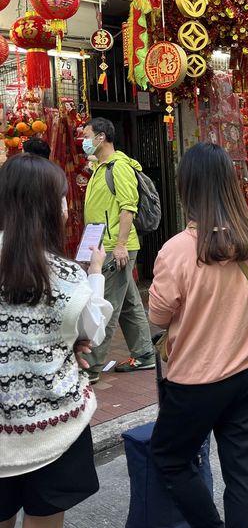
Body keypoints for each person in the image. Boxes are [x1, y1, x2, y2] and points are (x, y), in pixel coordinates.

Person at [149, 143, 248, 528]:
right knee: (243, 471)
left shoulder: (177, 251)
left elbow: (157, 319)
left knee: (169, 456)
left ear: (186, 188)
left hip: (196, 381)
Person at [0, 154, 112, 528]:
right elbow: (93, 332)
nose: (68, 208)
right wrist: (96, 273)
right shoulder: (66, 275)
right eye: (64, 199)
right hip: (53, 432)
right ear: (48, 207)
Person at [82, 118, 154, 382]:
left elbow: (128, 207)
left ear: (101, 137)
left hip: (116, 247)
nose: (84, 141)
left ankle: (90, 367)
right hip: (106, 245)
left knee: (107, 305)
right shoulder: (100, 167)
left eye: (86, 135)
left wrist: (121, 245)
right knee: (129, 303)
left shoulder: (119, 167)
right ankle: (144, 353)